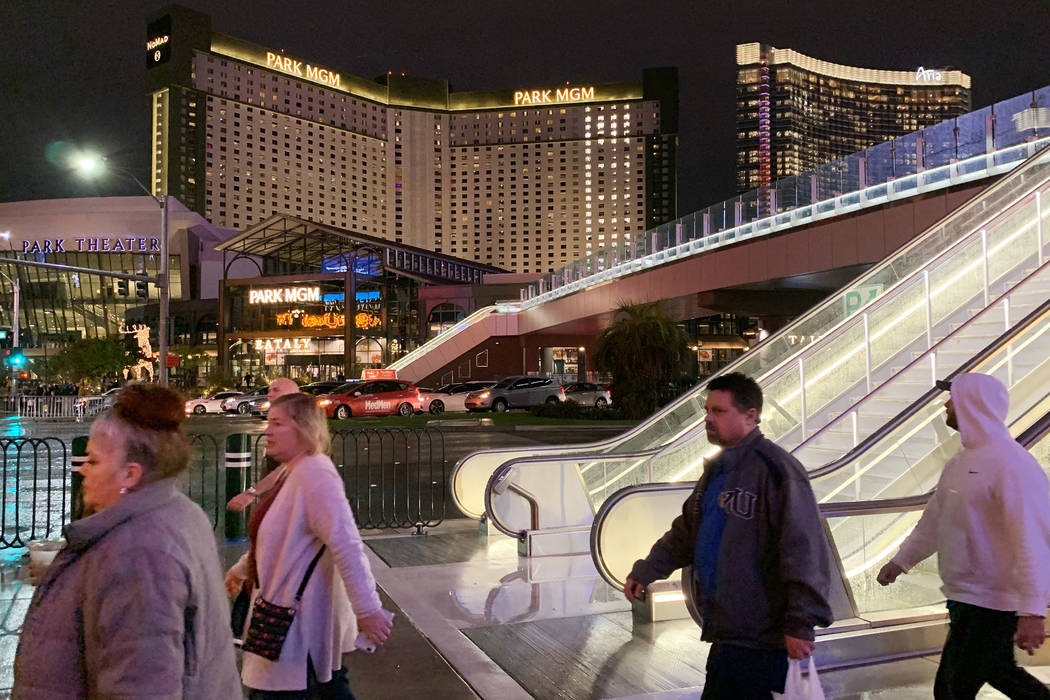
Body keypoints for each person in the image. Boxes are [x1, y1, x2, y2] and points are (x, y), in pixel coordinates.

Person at [14, 383, 241, 698]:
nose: (83, 471)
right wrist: (70, 577)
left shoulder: (141, 553)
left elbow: (140, 685)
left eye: (93, 461)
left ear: (130, 475)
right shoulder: (176, 514)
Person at [624, 372, 832, 699]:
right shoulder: (717, 470)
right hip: (727, 637)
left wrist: (800, 623)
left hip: (766, 643)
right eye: (707, 410)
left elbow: (804, 550)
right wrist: (647, 569)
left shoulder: (777, 470)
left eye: (718, 411)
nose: (707, 419)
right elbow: (687, 531)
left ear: (751, 416)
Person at [877, 373, 1050, 699]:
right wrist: (901, 561)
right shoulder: (960, 463)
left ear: (973, 405)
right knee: (1000, 673)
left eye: (953, 399)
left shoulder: (1012, 465)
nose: (946, 405)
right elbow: (936, 521)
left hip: (995, 602)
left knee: (952, 688)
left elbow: (1033, 539)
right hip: (966, 598)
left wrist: (1032, 610)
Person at [224, 393, 393, 698]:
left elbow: (347, 545)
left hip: (293, 633)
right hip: (285, 629)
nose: (268, 431)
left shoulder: (315, 474)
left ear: (303, 427)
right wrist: (241, 571)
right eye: (268, 422)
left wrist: (367, 611)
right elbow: (280, 540)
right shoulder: (294, 471)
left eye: (277, 422)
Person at [227, 377, 301, 512]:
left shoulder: (298, 426)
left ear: (292, 395)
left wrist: (251, 493)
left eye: (276, 390)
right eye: (269, 390)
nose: (269, 394)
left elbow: (285, 468)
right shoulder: (286, 419)